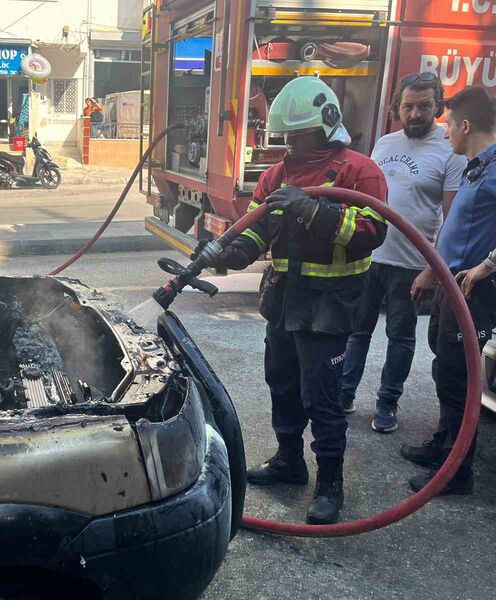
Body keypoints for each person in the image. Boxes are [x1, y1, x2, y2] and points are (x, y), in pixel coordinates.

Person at [207, 77, 388, 524]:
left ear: (327, 125)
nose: (292, 145)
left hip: (331, 303)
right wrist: (232, 252)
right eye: (286, 137)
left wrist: (314, 209)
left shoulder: (359, 171)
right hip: (285, 301)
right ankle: (290, 461)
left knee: (322, 398)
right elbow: (257, 227)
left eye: (300, 135)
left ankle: (330, 484)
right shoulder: (277, 174)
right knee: (282, 385)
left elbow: (372, 232)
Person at [339, 72, 467, 433]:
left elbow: (452, 215)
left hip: (411, 264)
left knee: (401, 337)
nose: (415, 114)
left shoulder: (448, 150)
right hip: (370, 257)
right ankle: (344, 394)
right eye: (408, 106)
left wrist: (433, 268)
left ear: (437, 107)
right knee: (356, 332)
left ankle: (386, 404)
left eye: (424, 106)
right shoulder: (384, 143)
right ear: (398, 107)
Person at [403, 86, 496, 495]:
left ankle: (457, 473)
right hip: (451, 287)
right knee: (445, 370)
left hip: (474, 294)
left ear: (466, 123)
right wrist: (432, 272)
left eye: (447, 125)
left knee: (461, 379)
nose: (444, 135)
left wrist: (487, 265)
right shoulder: (478, 167)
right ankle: (444, 446)